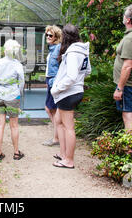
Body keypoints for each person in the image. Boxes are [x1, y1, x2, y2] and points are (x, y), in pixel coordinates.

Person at [50, 24, 91, 169]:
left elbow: (72, 76)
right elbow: (87, 71)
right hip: (75, 91)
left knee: (69, 127)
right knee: (58, 120)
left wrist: (57, 89)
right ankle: (63, 154)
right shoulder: (83, 51)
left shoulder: (73, 52)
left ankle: (69, 160)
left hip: (68, 93)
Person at [0, 39, 25, 161]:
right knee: (14, 125)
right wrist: (18, 94)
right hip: (12, 96)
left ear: (5, 50)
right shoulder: (17, 65)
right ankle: (16, 152)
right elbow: (21, 83)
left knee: (0, 124)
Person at [42, 25, 63, 147]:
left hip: (54, 81)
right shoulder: (52, 49)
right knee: (52, 110)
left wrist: (54, 81)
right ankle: (57, 135)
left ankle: (57, 137)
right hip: (50, 81)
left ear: (56, 37)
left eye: (51, 35)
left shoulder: (58, 48)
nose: (48, 37)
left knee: (50, 108)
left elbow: (60, 67)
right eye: (47, 35)